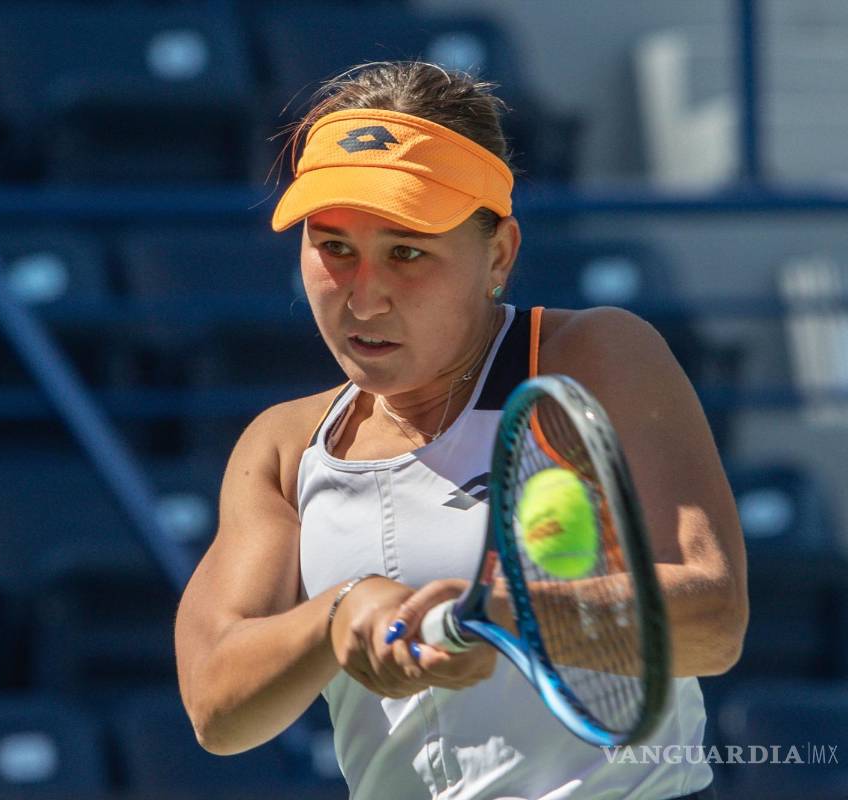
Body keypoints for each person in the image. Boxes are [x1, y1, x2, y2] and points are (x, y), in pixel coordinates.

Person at [174, 61, 747, 799]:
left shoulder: (596, 355)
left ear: (499, 255)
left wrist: (494, 616)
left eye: (407, 252)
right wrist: (339, 617)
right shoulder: (283, 444)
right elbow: (216, 709)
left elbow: (711, 619)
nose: (365, 297)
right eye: (334, 247)